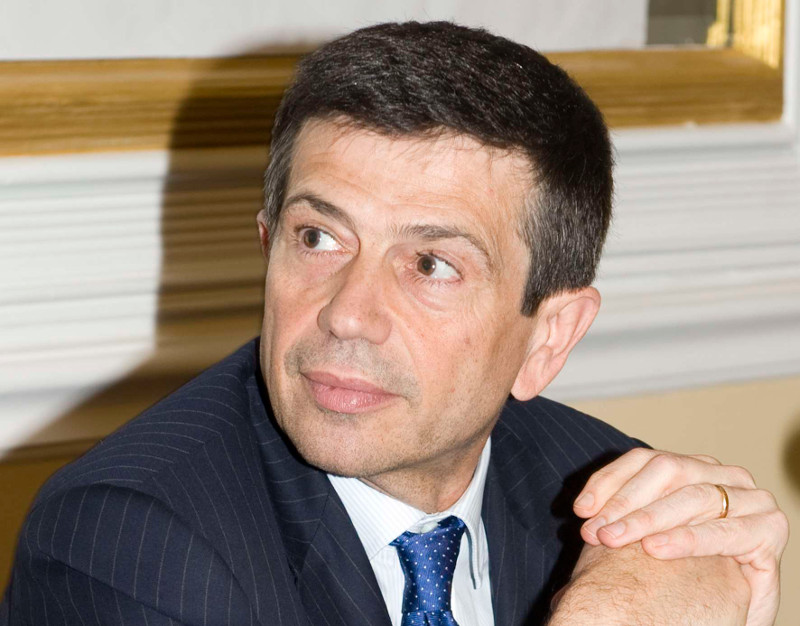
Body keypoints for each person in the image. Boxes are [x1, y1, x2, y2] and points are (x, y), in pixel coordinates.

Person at [1, 21, 787, 626]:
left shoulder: (601, 499)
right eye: (319, 238)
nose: (347, 313)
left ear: (548, 338)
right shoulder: (127, 544)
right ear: (267, 244)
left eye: (431, 265)